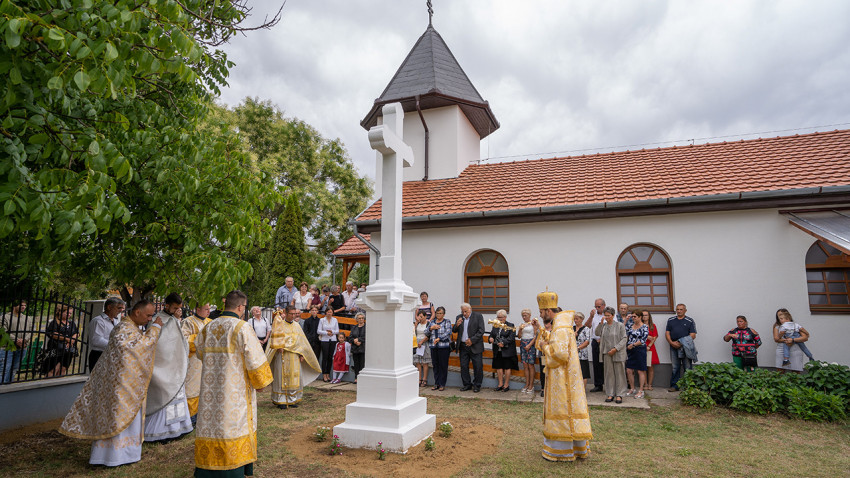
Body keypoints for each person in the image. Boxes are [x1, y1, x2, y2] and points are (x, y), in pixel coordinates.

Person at [59, 301, 162, 467]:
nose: (150, 319)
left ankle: (127, 454)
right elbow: (140, 348)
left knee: (123, 418)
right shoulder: (124, 329)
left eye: (151, 316)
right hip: (121, 386)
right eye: (148, 315)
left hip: (127, 383)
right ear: (136, 312)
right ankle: (112, 457)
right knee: (116, 418)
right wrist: (155, 329)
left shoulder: (130, 327)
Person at [194, 290, 272, 477]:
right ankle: (233, 470)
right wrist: (260, 383)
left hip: (211, 391)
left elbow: (199, 352)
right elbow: (254, 359)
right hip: (234, 391)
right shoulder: (242, 327)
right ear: (240, 307)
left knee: (211, 426)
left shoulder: (208, 327)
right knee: (234, 425)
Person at [535, 290, 592, 462]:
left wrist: (545, 347)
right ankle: (576, 448)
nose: (540, 314)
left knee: (562, 410)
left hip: (562, 378)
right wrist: (544, 337)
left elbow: (559, 355)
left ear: (548, 310)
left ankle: (561, 451)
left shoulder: (560, 327)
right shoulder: (563, 325)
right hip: (567, 376)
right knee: (570, 410)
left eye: (541, 311)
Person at [144, 293, 192, 443]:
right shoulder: (157, 319)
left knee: (177, 396)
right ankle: (160, 433)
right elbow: (156, 342)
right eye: (176, 307)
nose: (178, 310)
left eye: (180, 307)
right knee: (164, 397)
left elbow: (179, 339)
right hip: (164, 366)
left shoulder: (173, 319)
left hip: (175, 365)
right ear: (167, 305)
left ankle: (178, 429)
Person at [267, 305, 321, 408]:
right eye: (290, 314)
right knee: (281, 376)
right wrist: (278, 346)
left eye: (294, 314)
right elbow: (273, 339)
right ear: (286, 313)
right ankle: (281, 400)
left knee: (294, 376)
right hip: (282, 354)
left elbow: (302, 342)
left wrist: (302, 354)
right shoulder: (279, 324)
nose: (293, 316)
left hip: (294, 355)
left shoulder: (297, 326)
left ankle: (293, 399)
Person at [181, 303, 212, 423]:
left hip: (208, 361)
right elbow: (183, 340)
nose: (208, 311)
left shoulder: (210, 321)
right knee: (192, 387)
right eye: (206, 309)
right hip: (194, 361)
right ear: (197, 309)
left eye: (209, 309)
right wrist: (202, 337)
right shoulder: (188, 322)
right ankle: (191, 417)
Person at [596, 306, 627, 404]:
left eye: (608, 316)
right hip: (606, 353)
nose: (607, 317)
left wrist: (615, 348)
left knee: (619, 374)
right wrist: (600, 324)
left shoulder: (620, 325)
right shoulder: (603, 326)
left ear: (613, 316)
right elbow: (597, 333)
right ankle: (610, 393)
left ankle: (619, 394)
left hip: (618, 352)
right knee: (609, 374)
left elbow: (624, 339)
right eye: (605, 316)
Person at [453, 303, 485, 393]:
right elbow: (454, 330)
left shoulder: (478, 316)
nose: (464, 313)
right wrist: (457, 324)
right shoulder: (459, 317)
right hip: (463, 346)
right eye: (462, 311)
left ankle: (477, 385)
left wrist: (472, 340)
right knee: (463, 366)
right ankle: (467, 384)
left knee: (477, 366)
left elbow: (481, 330)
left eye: (465, 311)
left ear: (470, 309)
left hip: (475, 345)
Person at [87, 297, 124, 372]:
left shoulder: (116, 321)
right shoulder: (98, 321)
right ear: (109, 307)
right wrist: (116, 344)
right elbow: (97, 340)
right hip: (99, 356)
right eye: (119, 308)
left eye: (122, 309)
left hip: (111, 355)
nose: (121, 311)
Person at [665, 303, 697, 391]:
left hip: (685, 347)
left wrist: (681, 342)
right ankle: (674, 386)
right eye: (677, 309)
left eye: (681, 309)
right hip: (673, 346)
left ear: (685, 311)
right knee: (675, 367)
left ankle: (688, 386)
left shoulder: (690, 321)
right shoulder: (670, 320)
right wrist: (671, 343)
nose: (679, 311)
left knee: (687, 367)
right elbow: (667, 333)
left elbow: (693, 335)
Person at [45, 304, 79, 377]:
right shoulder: (54, 322)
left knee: (63, 369)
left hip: (68, 350)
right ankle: (47, 386)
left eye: (70, 313)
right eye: (67, 313)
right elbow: (53, 334)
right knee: (53, 369)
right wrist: (67, 339)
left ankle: (58, 386)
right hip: (56, 349)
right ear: (60, 312)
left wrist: (73, 338)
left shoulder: (72, 323)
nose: (69, 315)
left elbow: (77, 333)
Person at [489, 309, 518, 392]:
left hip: (507, 350)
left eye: (501, 317)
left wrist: (503, 343)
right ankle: (500, 384)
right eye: (498, 317)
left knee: (507, 367)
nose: (499, 319)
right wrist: (490, 338)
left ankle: (506, 385)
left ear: (505, 317)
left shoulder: (510, 325)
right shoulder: (495, 325)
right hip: (497, 350)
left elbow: (511, 337)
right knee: (499, 367)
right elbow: (492, 334)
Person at [1, 300, 28, 383]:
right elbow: (3, 332)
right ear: (14, 306)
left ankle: (9, 389)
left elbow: (31, 331)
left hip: (21, 348)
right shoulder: (4, 317)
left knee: (14, 370)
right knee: (4, 370)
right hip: (7, 348)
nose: (23, 307)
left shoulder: (27, 318)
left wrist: (24, 340)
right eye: (21, 305)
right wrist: (16, 340)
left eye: (25, 305)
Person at [583, 298, 607, 392]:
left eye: (599, 306)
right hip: (595, 342)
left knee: (607, 364)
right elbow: (587, 326)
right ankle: (598, 385)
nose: (597, 308)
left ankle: (609, 384)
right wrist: (591, 316)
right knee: (596, 364)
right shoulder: (594, 316)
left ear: (604, 306)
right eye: (595, 306)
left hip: (606, 342)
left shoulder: (609, 314)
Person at [426, 306, 452, 391]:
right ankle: (436, 383)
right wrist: (431, 328)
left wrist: (439, 338)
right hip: (434, 347)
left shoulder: (446, 322)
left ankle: (442, 384)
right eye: (437, 313)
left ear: (443, 314)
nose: (438, 315)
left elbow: (448, 332)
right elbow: (426, 332)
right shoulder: (432, 322)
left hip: (443, 347)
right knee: (435, 365)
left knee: (443, 366)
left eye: (440, 313)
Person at [625, 308, 648, 399]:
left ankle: (641, 390)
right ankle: (632, 388)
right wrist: (626, 320)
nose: (633, 318)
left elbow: (643, 339)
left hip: (639, 349)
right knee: (629, 370)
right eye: (632, 316)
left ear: (640, 317)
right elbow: (623, 331)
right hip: (630, 350)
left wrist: (633, 344)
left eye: (635, 316)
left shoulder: (644, 327)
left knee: (640, 370)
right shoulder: (630, 325)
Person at [517, 308, 540, 393]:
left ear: (529, 315)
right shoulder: (522, 324)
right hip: (523, 343)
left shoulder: (533, 323)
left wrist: (530, 345)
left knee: (531, 365)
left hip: (530, 344)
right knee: (525, 365)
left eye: (525, 315)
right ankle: (526, 384)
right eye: (523, 315)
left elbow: (535, 335)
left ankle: (531, 385)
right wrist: (520, 329)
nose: (524, 317)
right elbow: (519, 336)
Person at [317, 309, 339, 382]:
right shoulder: (322, 320)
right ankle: (324, 374)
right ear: (326, 312)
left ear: (332, 312)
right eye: (328, 312)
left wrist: (332, 331)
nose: (329, 313)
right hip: (325, 340)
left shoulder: (335, 320)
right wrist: (326, 333)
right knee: (325, 357)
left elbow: (337, 331)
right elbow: (318, 331)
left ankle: (328, 374)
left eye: (331, 312)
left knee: (330, 358)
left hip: (332, 340)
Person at [413, 311, 432, 387]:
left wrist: (422, 342)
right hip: (417, 343)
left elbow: (428, 335)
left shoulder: (428, 324)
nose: (420, 318)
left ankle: (424, 379)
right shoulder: (417, 323)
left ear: (425, 316)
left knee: (425, 362)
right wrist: (416, 323)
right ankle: (419, 379)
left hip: (424, 343)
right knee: (417, 362)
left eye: (421, 316)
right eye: (419, 316)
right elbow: (413, 332)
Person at [574, 312, 591, 388]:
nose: (575, 320)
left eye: (577, 319)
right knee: (574, 372)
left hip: (582, 354)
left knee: (583, 372)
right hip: (573, 354)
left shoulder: (586, 329)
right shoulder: (572, 328)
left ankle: (583, 391)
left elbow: (587, 341)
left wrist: (578, 348)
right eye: (574, 319)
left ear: (582, 319)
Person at [538, 314, 553, 398]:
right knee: (543, 372)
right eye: (545, 323)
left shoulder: (554, 331)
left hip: (551, 354)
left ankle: (551, 389)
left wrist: (546, 343)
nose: (546, 325)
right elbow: (539, 342)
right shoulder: (542, 331)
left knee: (551, 372)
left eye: (547, 323)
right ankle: (543, 389)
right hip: (543, 354)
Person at [348, 312, 366, 382]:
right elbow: (350, 337)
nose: (361, 319)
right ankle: (356, 378)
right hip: (355, 348)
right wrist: (354, 341)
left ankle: (362, 378)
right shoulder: (354, 327)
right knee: (356, 364)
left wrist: (359, 340)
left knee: (362, 364)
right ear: (357, 319)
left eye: (362, 318)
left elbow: (367, 336)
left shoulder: (366, 327)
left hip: (363, 348)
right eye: (359, 318)